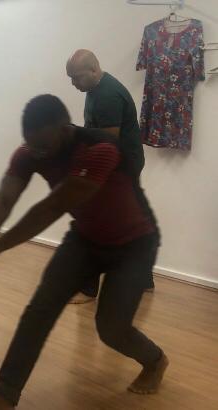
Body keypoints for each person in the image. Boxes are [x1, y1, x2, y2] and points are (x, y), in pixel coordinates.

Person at [0, 95, 168, 409]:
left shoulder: (100, 150)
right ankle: (5, 393)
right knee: (40, 309)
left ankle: (155, 361)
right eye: (31, 146)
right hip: (86, 240)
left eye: (43, 147)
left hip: (135, 244)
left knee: (111, 328)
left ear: (65, 130)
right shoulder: (29, 152)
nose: (36, 153)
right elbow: (2, 201)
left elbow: (52, 207)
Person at [66, 49, 154, 304]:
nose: (73, 84)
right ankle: (144, 279)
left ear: (94, 70)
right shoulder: (95, 88)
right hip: (122, 164)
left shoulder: (107, 95)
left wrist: (74, 135)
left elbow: (107, 142)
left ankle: (88, 289)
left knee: (95, 222)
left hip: (120, 167)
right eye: (70, 78)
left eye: (77, 77)